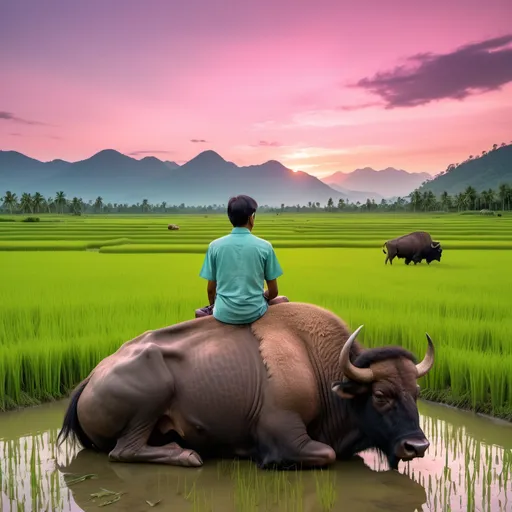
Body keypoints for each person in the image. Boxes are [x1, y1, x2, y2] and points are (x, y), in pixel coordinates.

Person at [195, 195, 289, 324]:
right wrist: (264, 296)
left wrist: (214, 306)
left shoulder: (214, 246)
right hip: (255, 312)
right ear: (251, 218)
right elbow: (274, 291)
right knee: (283, 300)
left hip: (223, 313)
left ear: (230, 218)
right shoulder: (265, 246)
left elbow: (211, 290)